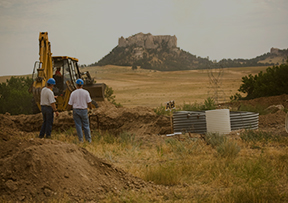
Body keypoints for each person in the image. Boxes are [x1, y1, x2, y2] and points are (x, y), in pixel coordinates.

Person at [68, 78, 92, 142]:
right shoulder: (86, 92)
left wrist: (68, 110)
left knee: (78, 125)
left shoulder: (73, 93)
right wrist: (90, 108)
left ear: (76, 85)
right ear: (82, 85)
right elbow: (89, 102)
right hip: (84, 110)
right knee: (86, 125)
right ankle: (88, 140)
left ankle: (81, 140)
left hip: (76, 110)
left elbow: (70, 104)